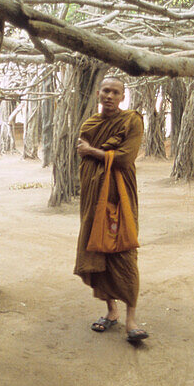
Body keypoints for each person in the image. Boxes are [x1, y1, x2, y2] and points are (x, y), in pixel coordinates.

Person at [74, 75, 148, 345]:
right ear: (97, 93)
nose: (110, 96)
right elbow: (84, 157)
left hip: (120, 195)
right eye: (106, 91)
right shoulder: (90, 124)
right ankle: (111, 311)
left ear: (122, 97)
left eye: (115, 92)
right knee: (97, 251)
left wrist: (92, 151)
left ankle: (131, 318)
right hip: (94, 197)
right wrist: (95, 153)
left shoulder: (132, 121)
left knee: (124, 251)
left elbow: (125, 158)